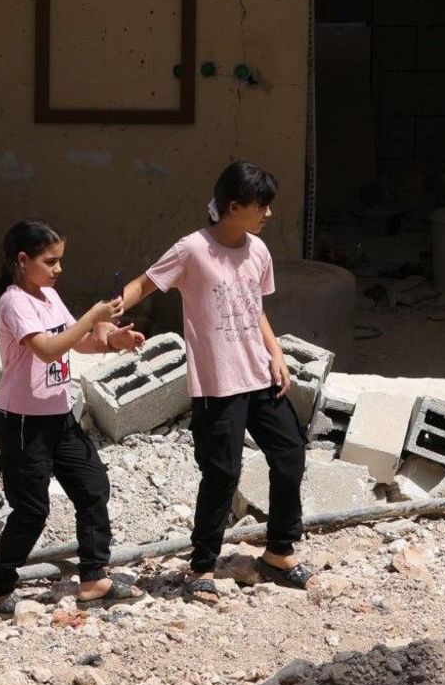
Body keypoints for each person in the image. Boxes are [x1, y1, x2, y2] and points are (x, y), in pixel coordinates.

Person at [117, 162, 305, 605]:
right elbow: (144, 285)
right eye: (262, 206)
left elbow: (253, 307)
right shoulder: (191, 250)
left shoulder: (258, 250)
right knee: (222, 473)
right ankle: (202, 565)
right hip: (217, 383)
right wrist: (105, 317)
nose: (268, 214)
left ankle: (279, 550)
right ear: (233, 207)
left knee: (290, 453)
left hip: (259, 374)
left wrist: (277, 355)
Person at [0, 218, 147, 613]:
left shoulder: (47, 296)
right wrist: (93, 317)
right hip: (22, 421)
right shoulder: (14, 302)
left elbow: (75, 341)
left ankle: (93, 577)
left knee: (93, 487)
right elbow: (48, 349)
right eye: (50, 261)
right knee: (32, 510)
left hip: (59, 415)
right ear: (23, 260)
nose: (59, 269)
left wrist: (112, 342)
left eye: (60, 260)